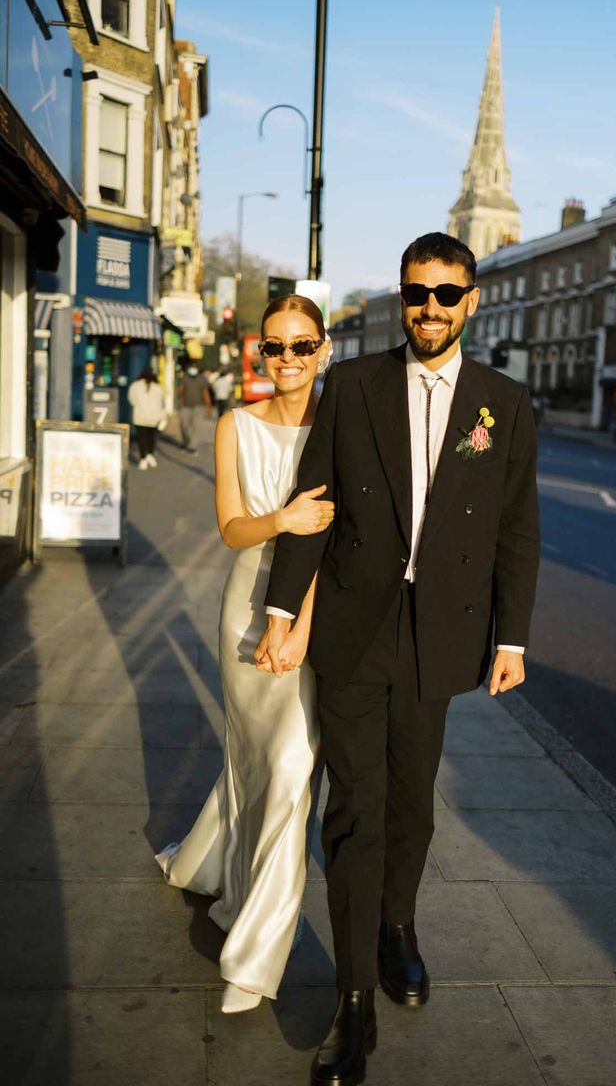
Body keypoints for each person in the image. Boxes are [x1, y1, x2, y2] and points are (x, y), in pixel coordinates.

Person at [257, 232, 540, 1086]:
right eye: (417, 293)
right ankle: (351, 1003)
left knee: (411, 803)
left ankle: (397, 929)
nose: (429, 309)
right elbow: (313, 504)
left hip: (442, 632)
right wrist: (282, 611)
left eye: (446, 294)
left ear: (472, 300)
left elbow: (516, 530)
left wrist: (513, 637)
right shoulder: (352, 384)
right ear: (403, 295)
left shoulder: (505, 403)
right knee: (353, 810)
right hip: (354, 624)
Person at [156, 296, 334, 1013]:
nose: (287, 359)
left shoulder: (344, 428)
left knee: (293, 765)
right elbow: (232, 529)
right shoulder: (235, 424)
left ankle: (255, 960)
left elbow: (339, 542)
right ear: (259, 353)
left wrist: (298, 627)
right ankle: (217, 863)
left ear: (325, 348)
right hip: (243, 602)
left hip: (316, 613)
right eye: (275, 347)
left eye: (302, 345)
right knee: (252, 758)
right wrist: (282, 518)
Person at [128, 365, 166, 470]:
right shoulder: (158, 388)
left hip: (140, 417)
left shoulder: (135, 386)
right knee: (151, 437)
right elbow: (162, 403)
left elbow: (132, 399)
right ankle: (150, 454)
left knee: (142, 438)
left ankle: (143, 458)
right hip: (154, 417)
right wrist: (163, 417)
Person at [177, 362, 212, 455]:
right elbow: (180, 390)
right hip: (186, 406)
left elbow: (205, 393)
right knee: (184, 426)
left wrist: (209, 407)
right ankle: (186, 442)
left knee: (196, 426)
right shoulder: (184, 378)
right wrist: (180, 400)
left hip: (199, 406)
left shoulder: (201, 379)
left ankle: (193, 447)